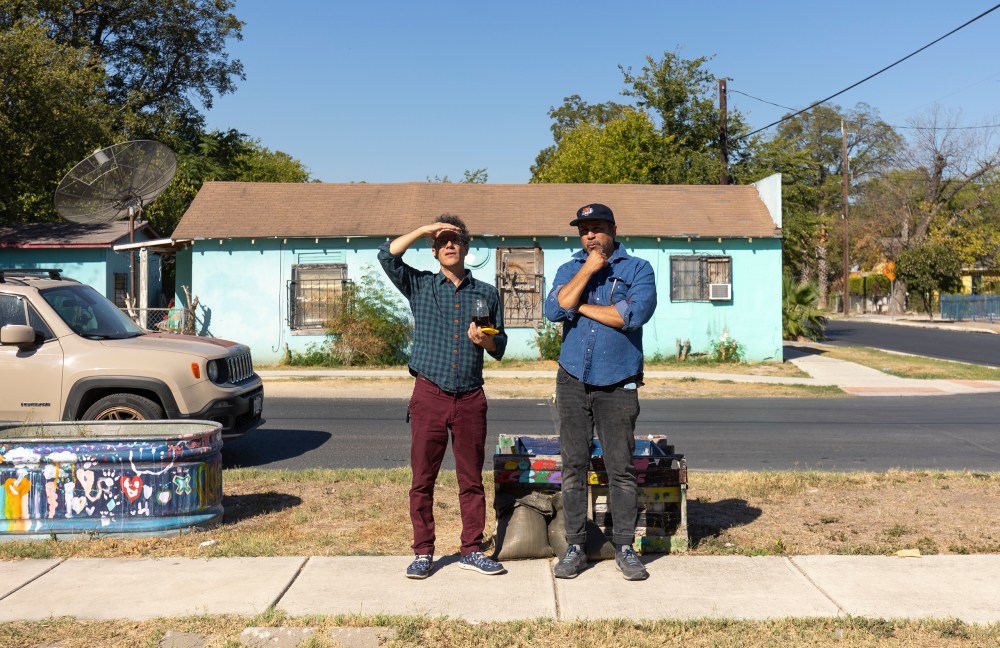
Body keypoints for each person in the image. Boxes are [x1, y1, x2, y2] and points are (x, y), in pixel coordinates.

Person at [378, 213, 508, 579]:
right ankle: (423, 551)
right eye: (442, 241)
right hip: (429, 394)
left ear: (466, 248)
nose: (450, 245)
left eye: (456, 240)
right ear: (434, 251)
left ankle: (471, 548)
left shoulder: (486, 293)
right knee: (423, 479)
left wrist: (487, 340)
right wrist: (422, 229)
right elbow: (386, 256)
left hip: (470, 398)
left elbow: (500, 346)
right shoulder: (420, 286)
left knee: (471, 479)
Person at [542, 203, 657, 581]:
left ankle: (625, 546)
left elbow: (630, 316)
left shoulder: (638, 268)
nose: (589, 235)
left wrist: (580, 303)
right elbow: (554, 311)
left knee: (620, 469)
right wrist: (588, 272)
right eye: (583, 229)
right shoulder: (569, 267)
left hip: (618, 382)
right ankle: (576, 546)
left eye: (597, 227)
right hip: (572, 379)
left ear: (613, 228)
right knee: (573, 467)